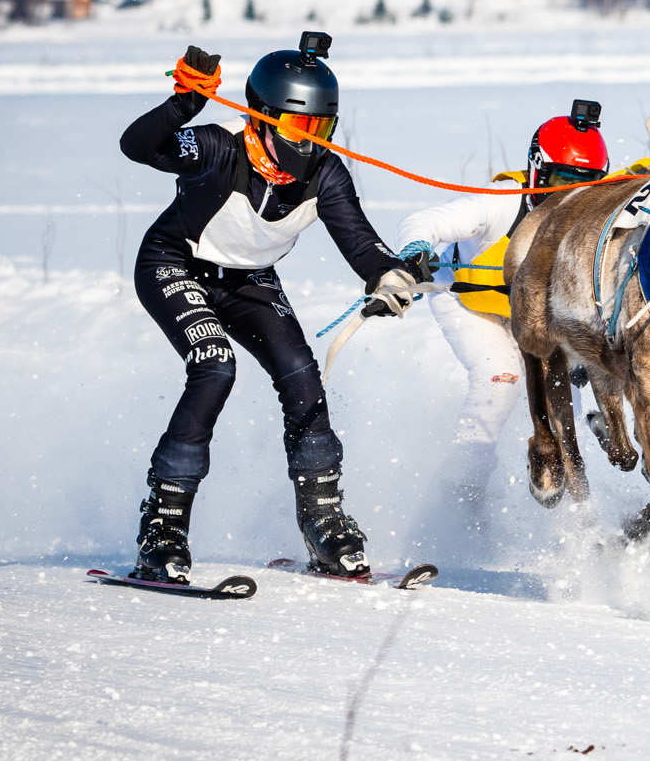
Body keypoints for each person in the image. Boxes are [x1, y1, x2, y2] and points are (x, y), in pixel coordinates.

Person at [120, 35, 429, 584]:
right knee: (216, 367)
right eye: (297, 127)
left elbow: (362, 244)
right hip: (174, 262)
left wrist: (392, 274)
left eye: (322, 130)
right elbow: (136, 146)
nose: (310, 144)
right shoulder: (217, 146)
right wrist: (184, 105)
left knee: (302, 375)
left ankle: (323, 524)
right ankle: (162, 528)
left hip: (248, 280)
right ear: (261, 117)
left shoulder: (326, 175)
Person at [393, 100, 613, 528]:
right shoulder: (499, 203)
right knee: (502, 379)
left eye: (584, 187)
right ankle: (459, 503)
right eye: (558, 183)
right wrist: (415, 251)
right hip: (472, 304)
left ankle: (583, 527)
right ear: (535, 171)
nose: (568, 199)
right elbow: (424, 221)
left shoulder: (592, 220)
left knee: (567, 409)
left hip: (536, 319)